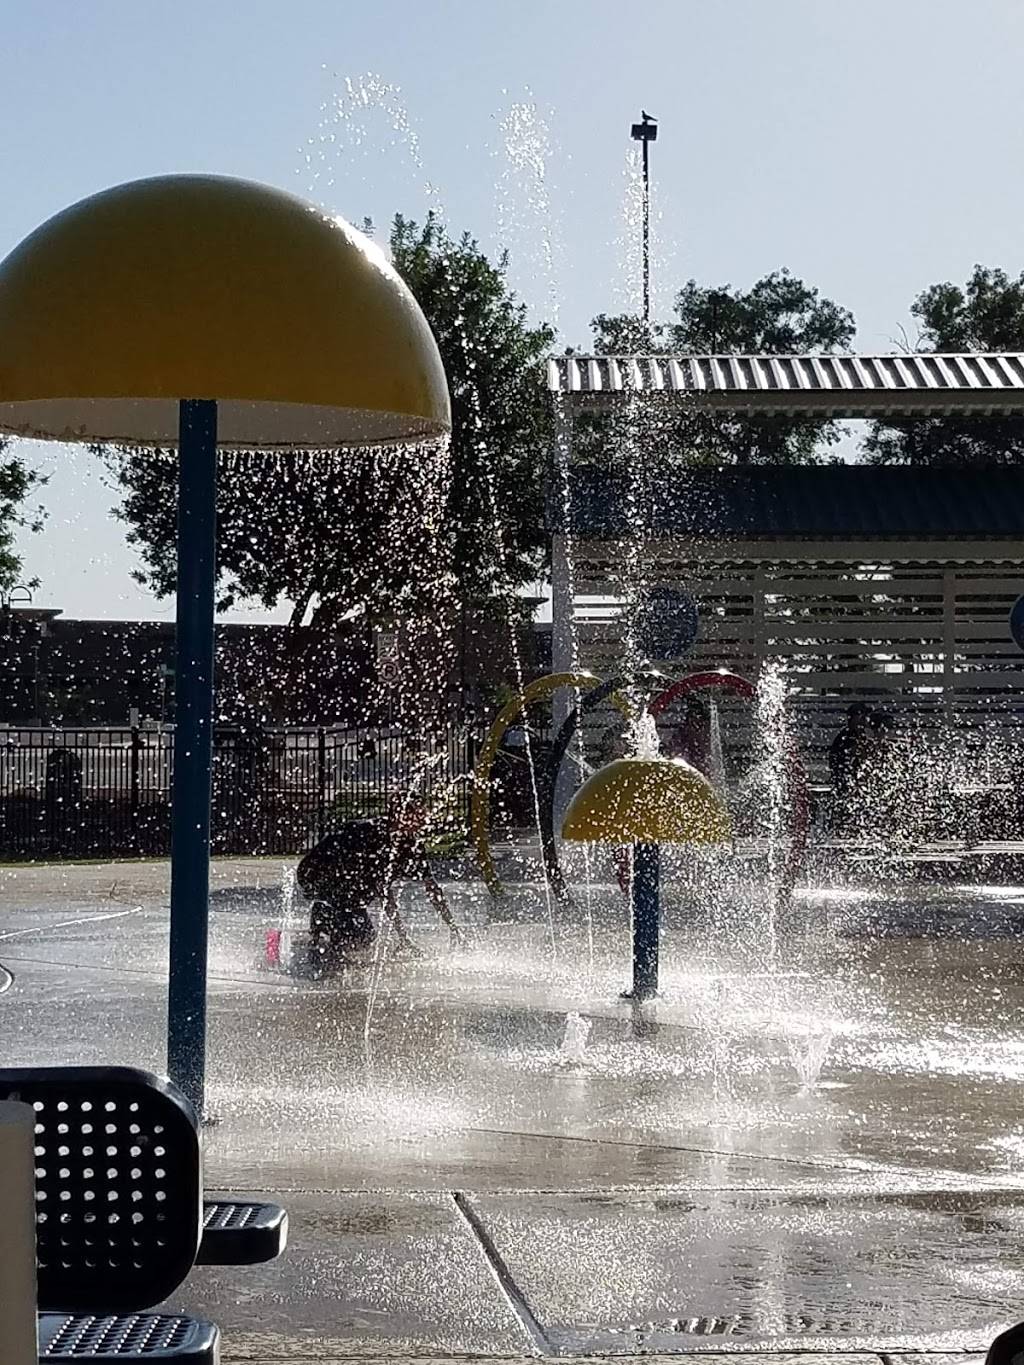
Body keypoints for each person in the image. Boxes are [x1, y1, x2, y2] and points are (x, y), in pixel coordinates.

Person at [296, 799, 461, 977]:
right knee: (351, 930)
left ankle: (332, 930)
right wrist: (402, 933)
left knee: (365, 935)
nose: (424, 820)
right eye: (417, 815)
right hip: (319, 875)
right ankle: (324, 919)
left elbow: (431, 888)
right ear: (400, 815)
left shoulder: (411, 845)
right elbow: (380, 887)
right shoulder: (368, 833)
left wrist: (452, 927)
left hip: (349, 889)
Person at [827, 703, 872, 831]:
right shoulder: (846, 736)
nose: (865, 719)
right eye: (862, 715)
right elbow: (854, 754)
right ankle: (844, 823)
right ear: (853, 717)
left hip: (851, 776)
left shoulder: (859, 733)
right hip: (844, 777)